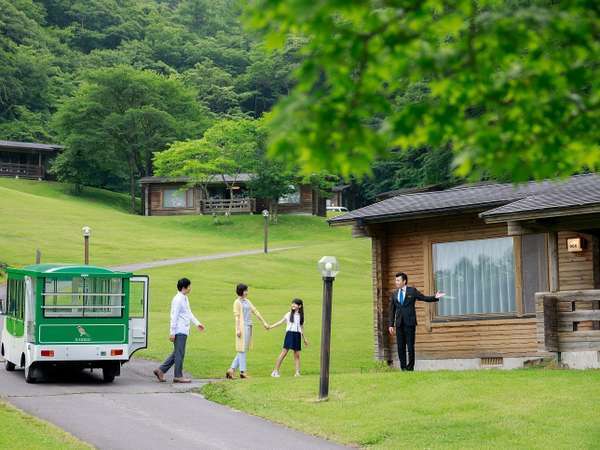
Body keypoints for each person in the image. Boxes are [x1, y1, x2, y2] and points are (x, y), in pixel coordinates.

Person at [388, 272, 444, 371]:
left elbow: (424, 298)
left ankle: (410, 368)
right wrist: (390, 325)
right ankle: (403, 368)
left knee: (410, 346)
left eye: (398, 280)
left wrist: (435, 297)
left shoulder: (412, 291)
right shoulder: (395, 294)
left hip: (410, 324)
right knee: (400, 347)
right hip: (399, 324)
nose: (396, 282)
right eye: (395, 280)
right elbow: (392, 310)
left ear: (404, 281)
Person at [153, 278, 204, 383]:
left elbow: (189, 313)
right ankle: (178, 376)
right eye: (189, 286)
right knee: (179, 353)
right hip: (179, 330)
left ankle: (160, 370)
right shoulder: (178, 299)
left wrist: (197, 323)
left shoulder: (184, 298)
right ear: (184, 287)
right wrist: (172, 332)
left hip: (183, 330)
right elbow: (174, 316)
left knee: (177, 353)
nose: (190, 288)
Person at [226, 283, 269, 379]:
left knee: (243, 349)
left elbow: (255, 311)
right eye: (246, 290)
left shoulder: (247, 301)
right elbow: (237, 317)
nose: (247, 292)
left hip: (249, 326)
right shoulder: (237, 302)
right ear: (241, 291)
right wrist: (237, 329)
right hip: (242, 327)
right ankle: (243, 372)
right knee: (242, 350)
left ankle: (231, 370)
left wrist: (264, 322)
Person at [269, 298, 308, 378]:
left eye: (295, 304)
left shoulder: (301, 316)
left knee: (297, 355)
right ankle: (275, 371)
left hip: (297, 335)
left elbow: (301, 328)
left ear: (299, 306)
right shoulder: (289, 314)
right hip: (290, 334)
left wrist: (304, 339)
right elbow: (280, 322)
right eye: (292, 303)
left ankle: (297, 372)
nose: (293, 305)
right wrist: (271, 326)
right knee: (284, 353)